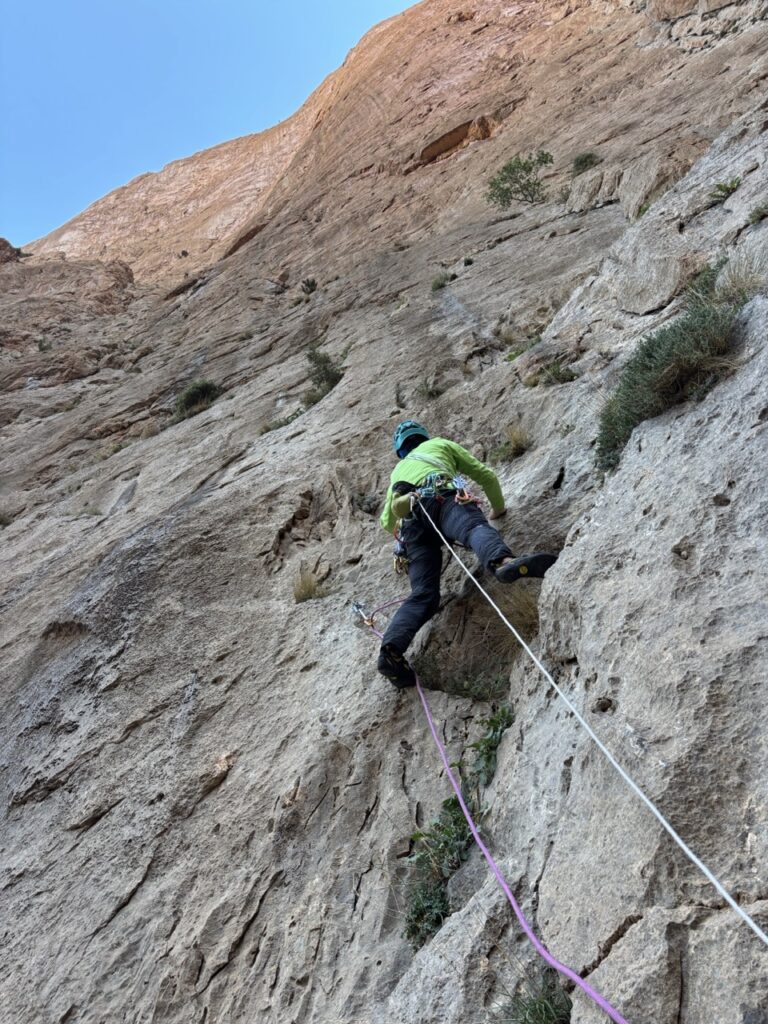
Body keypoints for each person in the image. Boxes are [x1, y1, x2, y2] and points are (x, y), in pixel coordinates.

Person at [377, 420, 557, 688]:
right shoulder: (440, 445)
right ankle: (502, 562)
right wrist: (498, 509)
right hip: (443, 498)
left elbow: (387, 522)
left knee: (423, 595)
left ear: (400, 451)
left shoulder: (398, 472)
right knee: (473, 529)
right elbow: (486, 476)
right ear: (424, 438)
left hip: (413, 526)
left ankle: (390, 650)